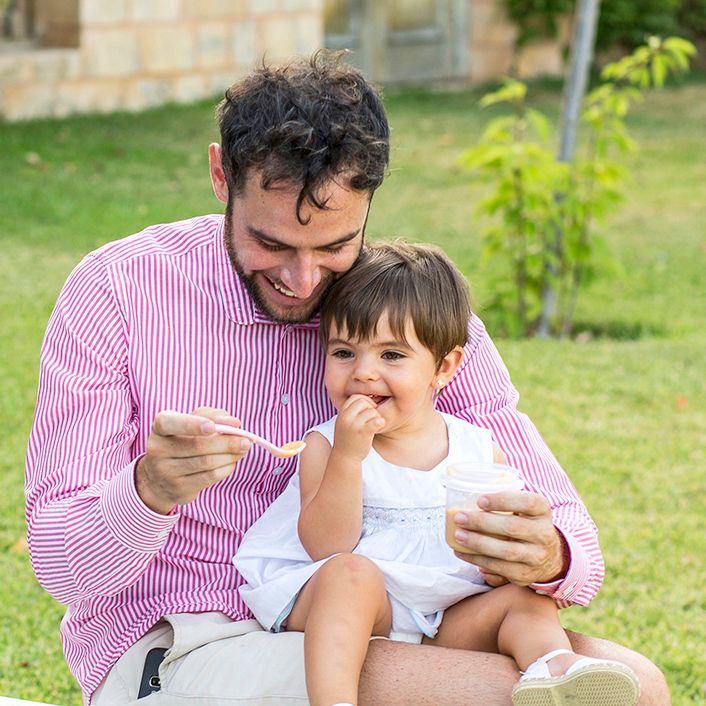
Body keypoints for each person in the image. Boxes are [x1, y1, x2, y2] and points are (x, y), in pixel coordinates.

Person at [24, 52, 668, 705]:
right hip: (189, 641)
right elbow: (60, 566)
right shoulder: (118, 292)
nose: (303, 282)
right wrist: (149, 489)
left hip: (409, 624)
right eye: (272, 245)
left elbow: (573, 539)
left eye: (334, 247)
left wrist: (547, 553)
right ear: (222, 175)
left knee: (636, 687)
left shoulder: (413, 317)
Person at [233, 241, 640, 706]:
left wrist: (495, 569)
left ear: (443, 368)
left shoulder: (477, 449)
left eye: (392, 356)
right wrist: (350, 455)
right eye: (344, 353)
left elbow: (493, 553)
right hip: (364, 605)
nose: (364, 374)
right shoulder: (325, 445)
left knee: (528, 602)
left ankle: (556, 669)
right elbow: (327, 546)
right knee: (349, 575)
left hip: (446, 615)